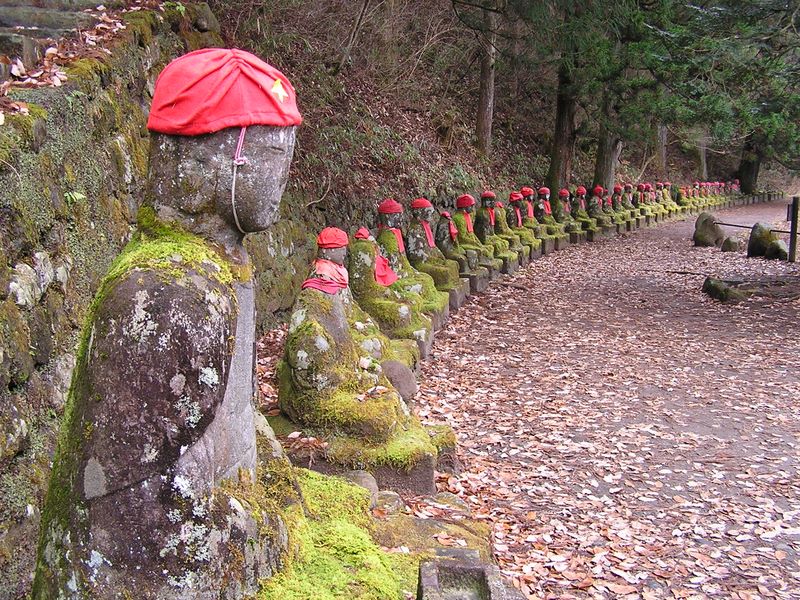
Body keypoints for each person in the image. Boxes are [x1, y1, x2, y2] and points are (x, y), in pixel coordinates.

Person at [34, 48, 302, 598]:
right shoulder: (167, 300)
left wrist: (267, 481)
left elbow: (233, 418)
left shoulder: (222, 269)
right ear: (207, 163)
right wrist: (251, 530)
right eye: (274, 155)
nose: (283, 177)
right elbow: (133, 517)